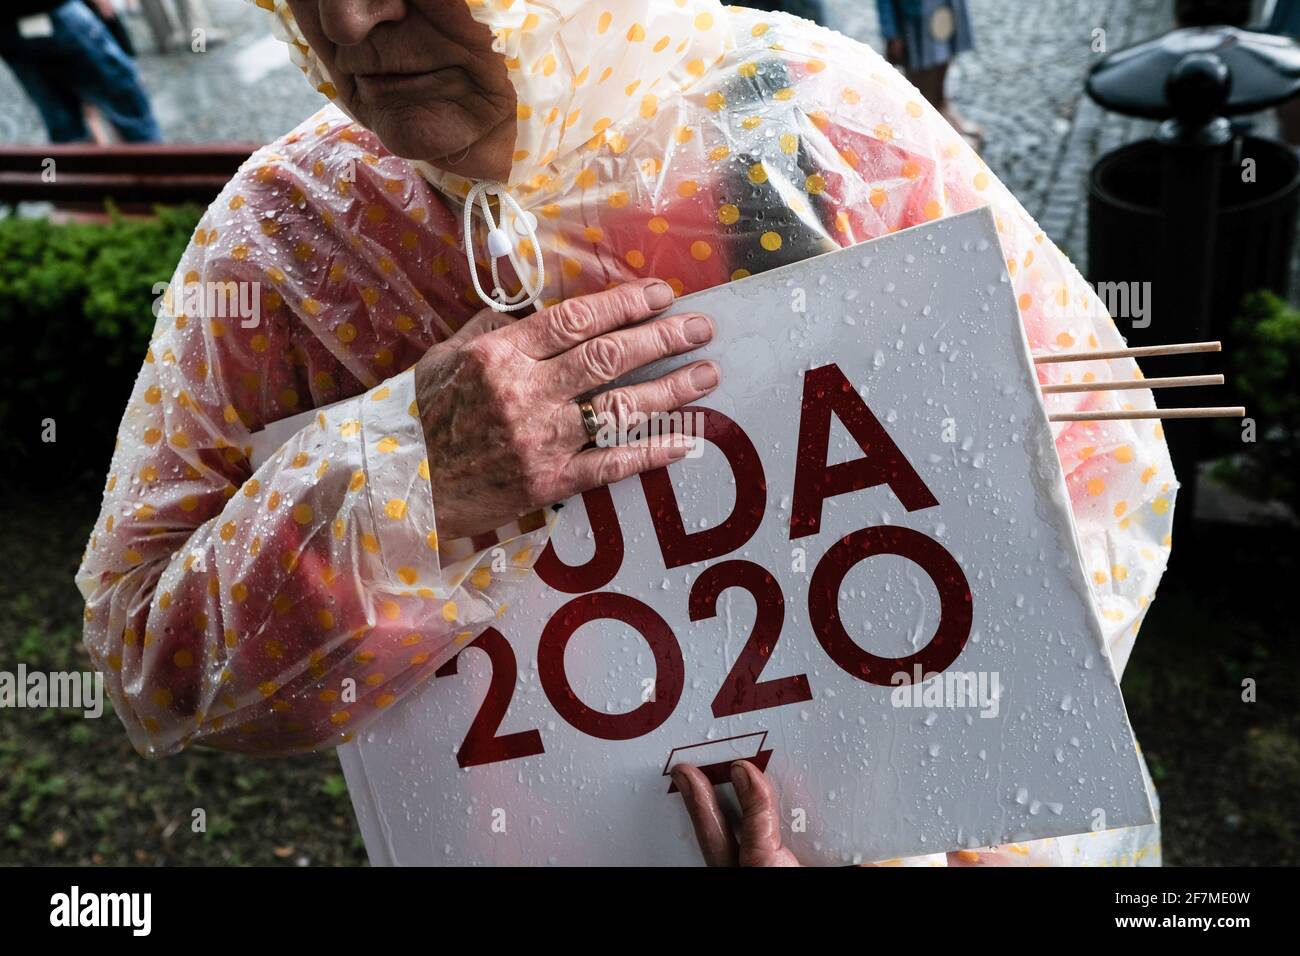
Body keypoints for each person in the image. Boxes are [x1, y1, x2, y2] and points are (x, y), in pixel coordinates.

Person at [78, 0, 1173, 866]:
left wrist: (898, 842)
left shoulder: (810, 118)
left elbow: (1089, 487)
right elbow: (145, 657)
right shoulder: (288, 241)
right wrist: (409, 482)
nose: (349, 20)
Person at [0, 0, 161, 143]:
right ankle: (153, 169)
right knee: (129, 108)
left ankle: (85, 171)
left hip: (10, 28)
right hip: (54, 15)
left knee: (63, 122)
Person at [876, 0, 982, 149]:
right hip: (915, 19)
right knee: (923, 81)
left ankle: (943, 113)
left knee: (942, 63)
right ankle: (934, 139)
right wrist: (891, 33)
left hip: (943, 8)